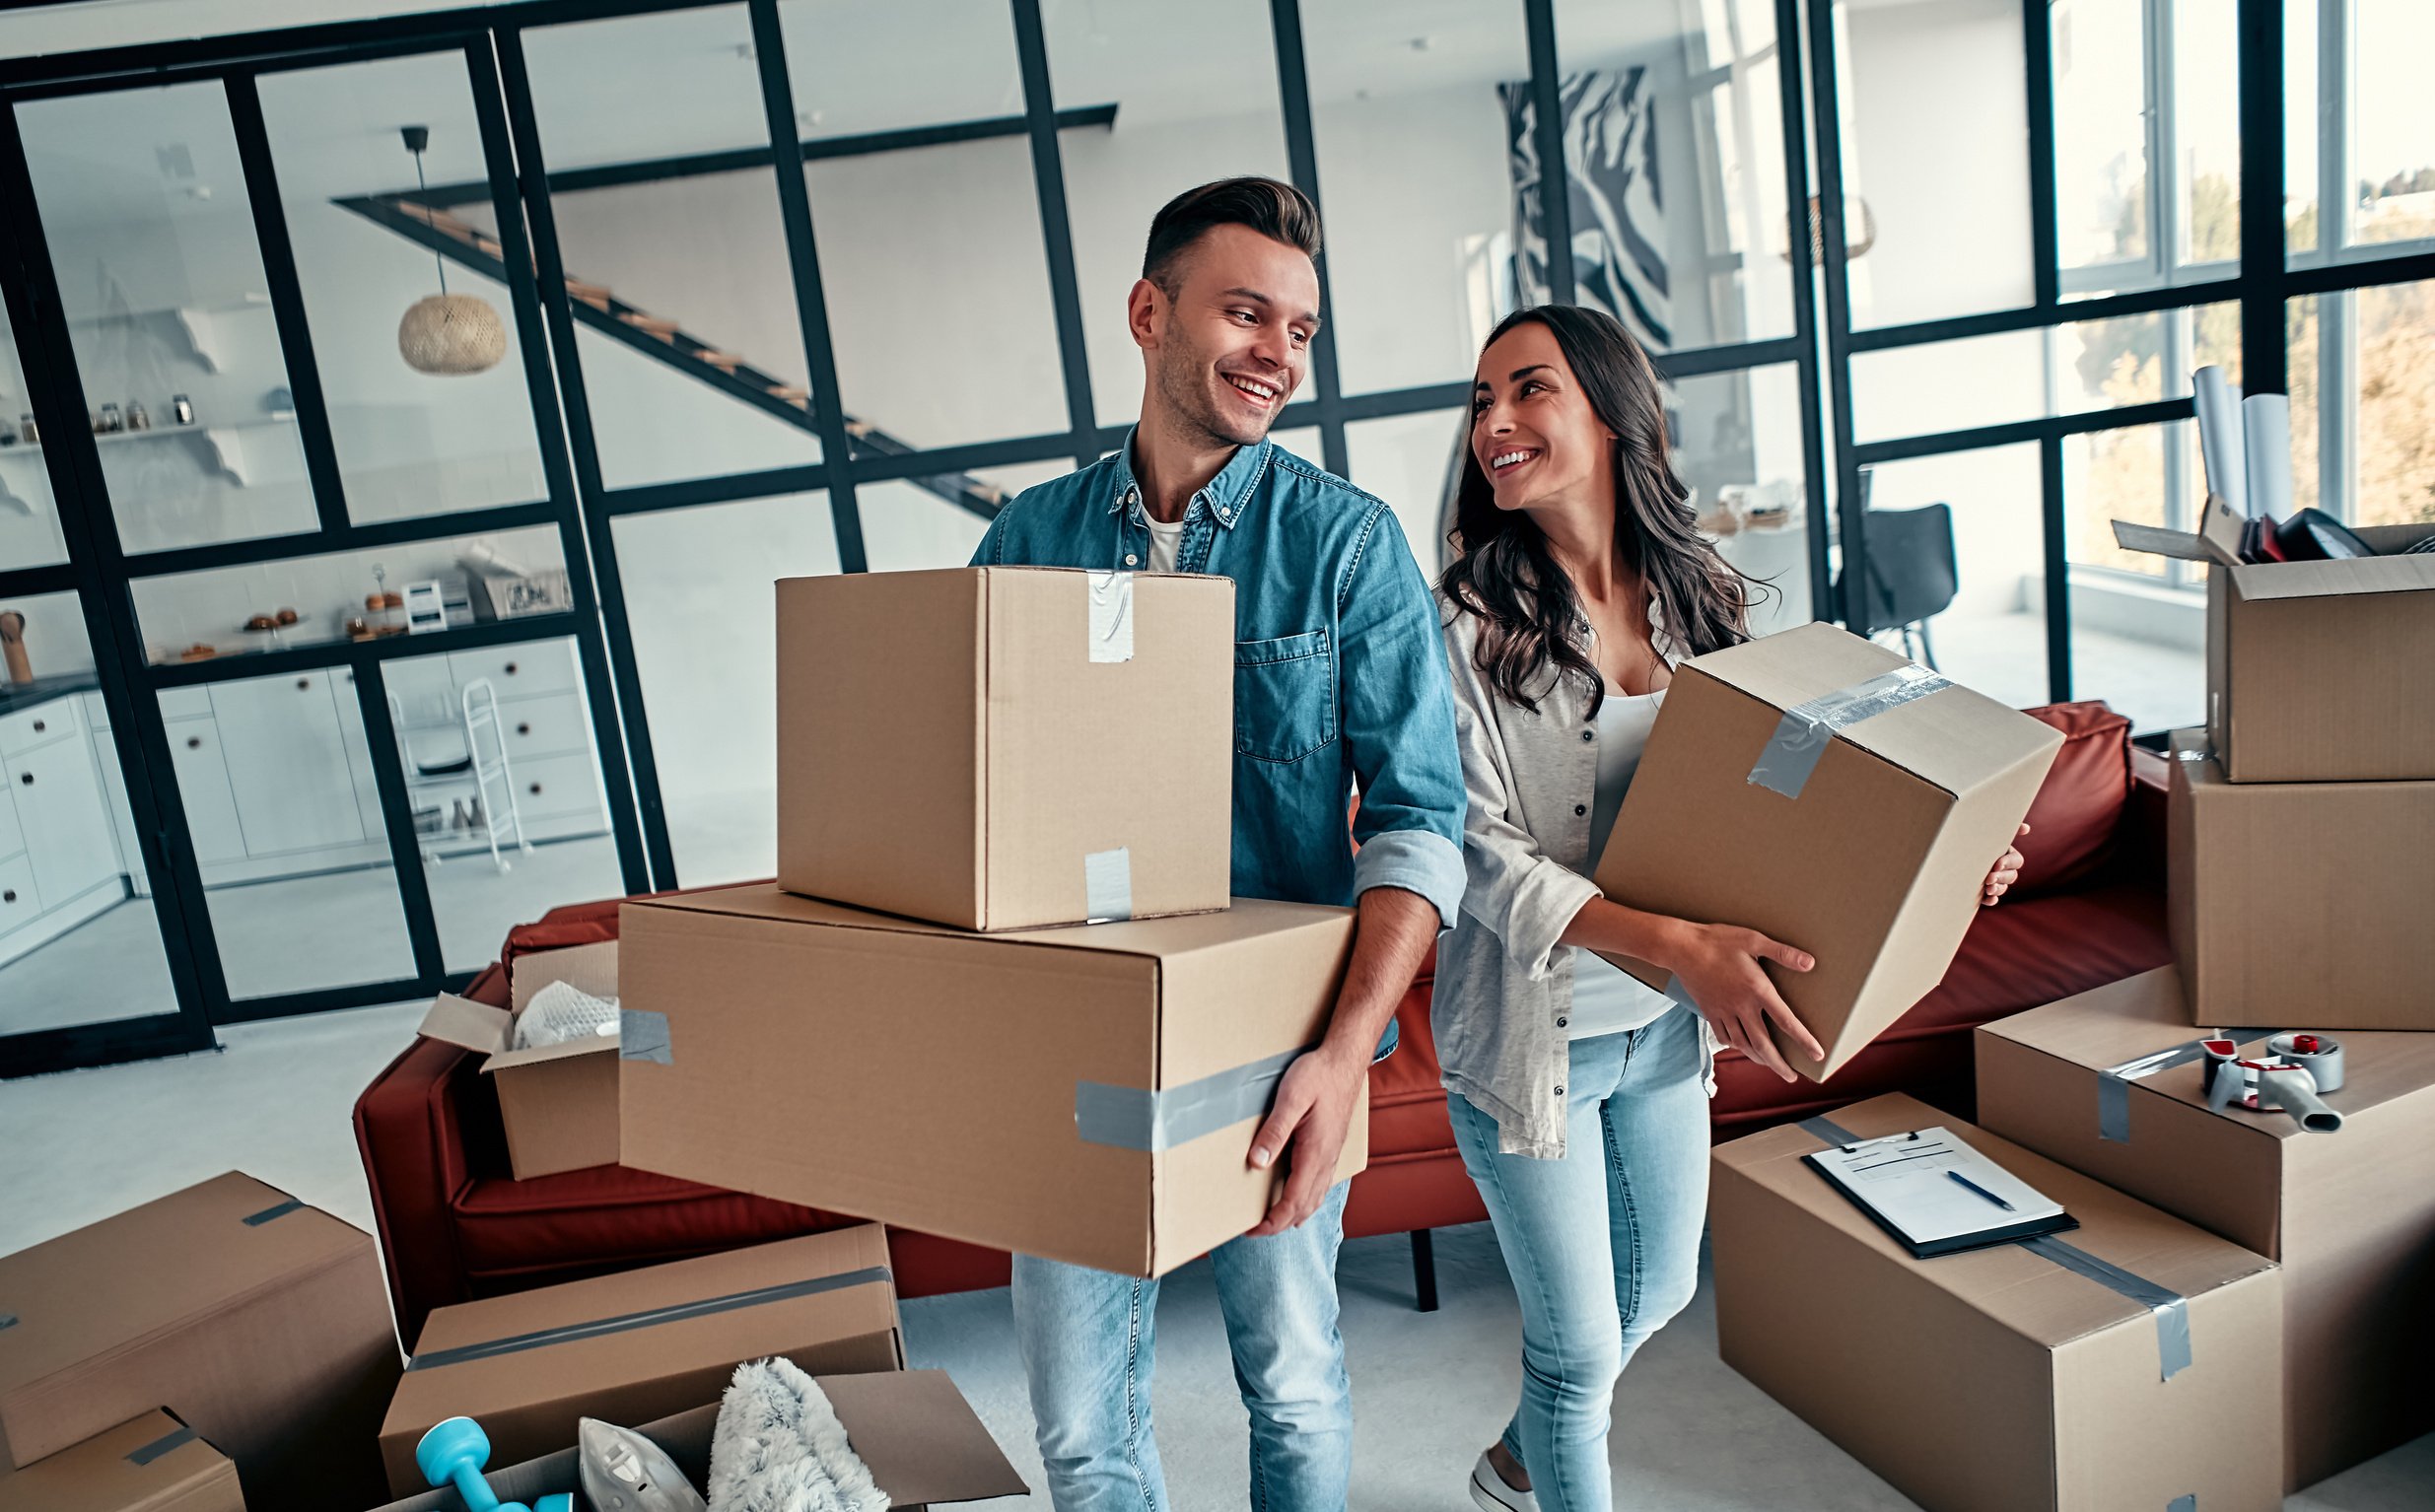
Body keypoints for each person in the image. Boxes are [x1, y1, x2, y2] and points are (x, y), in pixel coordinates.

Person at [1434, 305, 2028, 1512]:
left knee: (1651, 1294)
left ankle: (1515, 1465)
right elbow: (1475, 855)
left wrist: (1940, 852)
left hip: (1661, 1029)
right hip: (1525, 1046)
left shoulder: (1704, 603)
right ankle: (1551, 1464)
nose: (1494, 422)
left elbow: (1799, 809)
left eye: (1529, 390)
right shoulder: (1462, 631)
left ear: (1610, 411)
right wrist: (1672, 946)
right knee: (1578, 1350)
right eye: (1482, 401)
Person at [969, 176, 1467, 1512]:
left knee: (1295, 1388)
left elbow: (1422, 823)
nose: (1278, 353)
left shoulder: (1346, 549)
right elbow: (969, 801)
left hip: (1273, 1052)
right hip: (1070, 1038)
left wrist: (1346, 1056)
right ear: (1147, 311)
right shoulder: (1026, 540)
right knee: (1077, 1426)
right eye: (1246, 312)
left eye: (1301, 329)